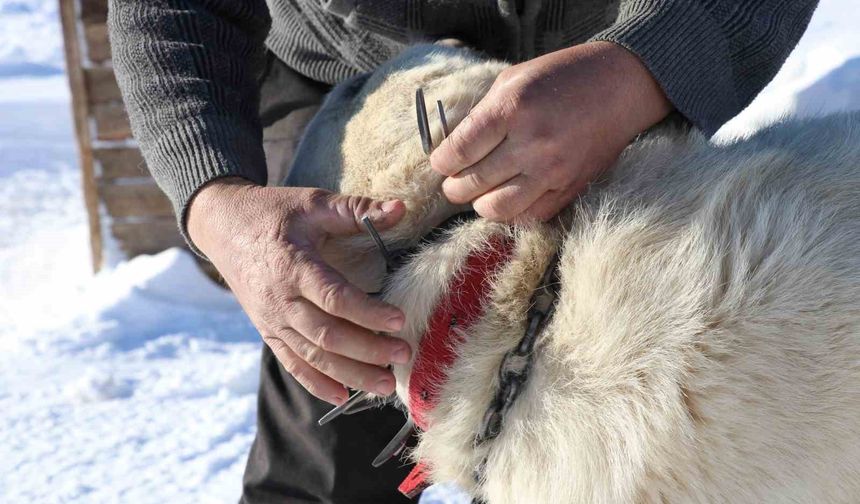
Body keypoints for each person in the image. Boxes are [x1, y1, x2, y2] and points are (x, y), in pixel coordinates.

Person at [108, 1, 818, 502]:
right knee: (330, 448)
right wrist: (213, 195)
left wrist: (650, 65)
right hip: (366, 113)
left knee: (648, 424)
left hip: (616, 85)